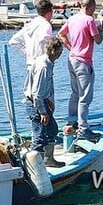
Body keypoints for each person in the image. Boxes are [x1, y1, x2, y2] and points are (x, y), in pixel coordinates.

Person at [57, 0, 103, 142]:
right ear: (90, 8)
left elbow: (61, 34)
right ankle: (83, 129)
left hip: (72, 59)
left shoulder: (72, 19)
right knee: (85, 97)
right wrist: (100, 29)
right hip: (84, 61)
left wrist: (71, 48)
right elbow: (98, 40)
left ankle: (72, 122)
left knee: (75, 93)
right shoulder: (89, 20)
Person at [26, 37, 65, 168]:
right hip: (36, 104)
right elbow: (36, 93)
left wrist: (49, 100)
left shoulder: (47, 62)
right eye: (60, 51)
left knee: (52, 129)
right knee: (40, 136)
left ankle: (48, 160)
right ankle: (36, 168)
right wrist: (42, 112)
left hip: (43, 101)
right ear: (56, 51)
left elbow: (44, 89)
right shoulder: (43, 67)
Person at [8, 0, 54, 100]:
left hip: (30, 64)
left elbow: (13, 41)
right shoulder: (46, 25)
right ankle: (43, 115)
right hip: (43, 65)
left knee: (30, 94)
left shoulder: (31, 24)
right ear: (49, 13)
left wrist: (27, 51)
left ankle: (32, 115)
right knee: (44, 97)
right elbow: (44, 39)